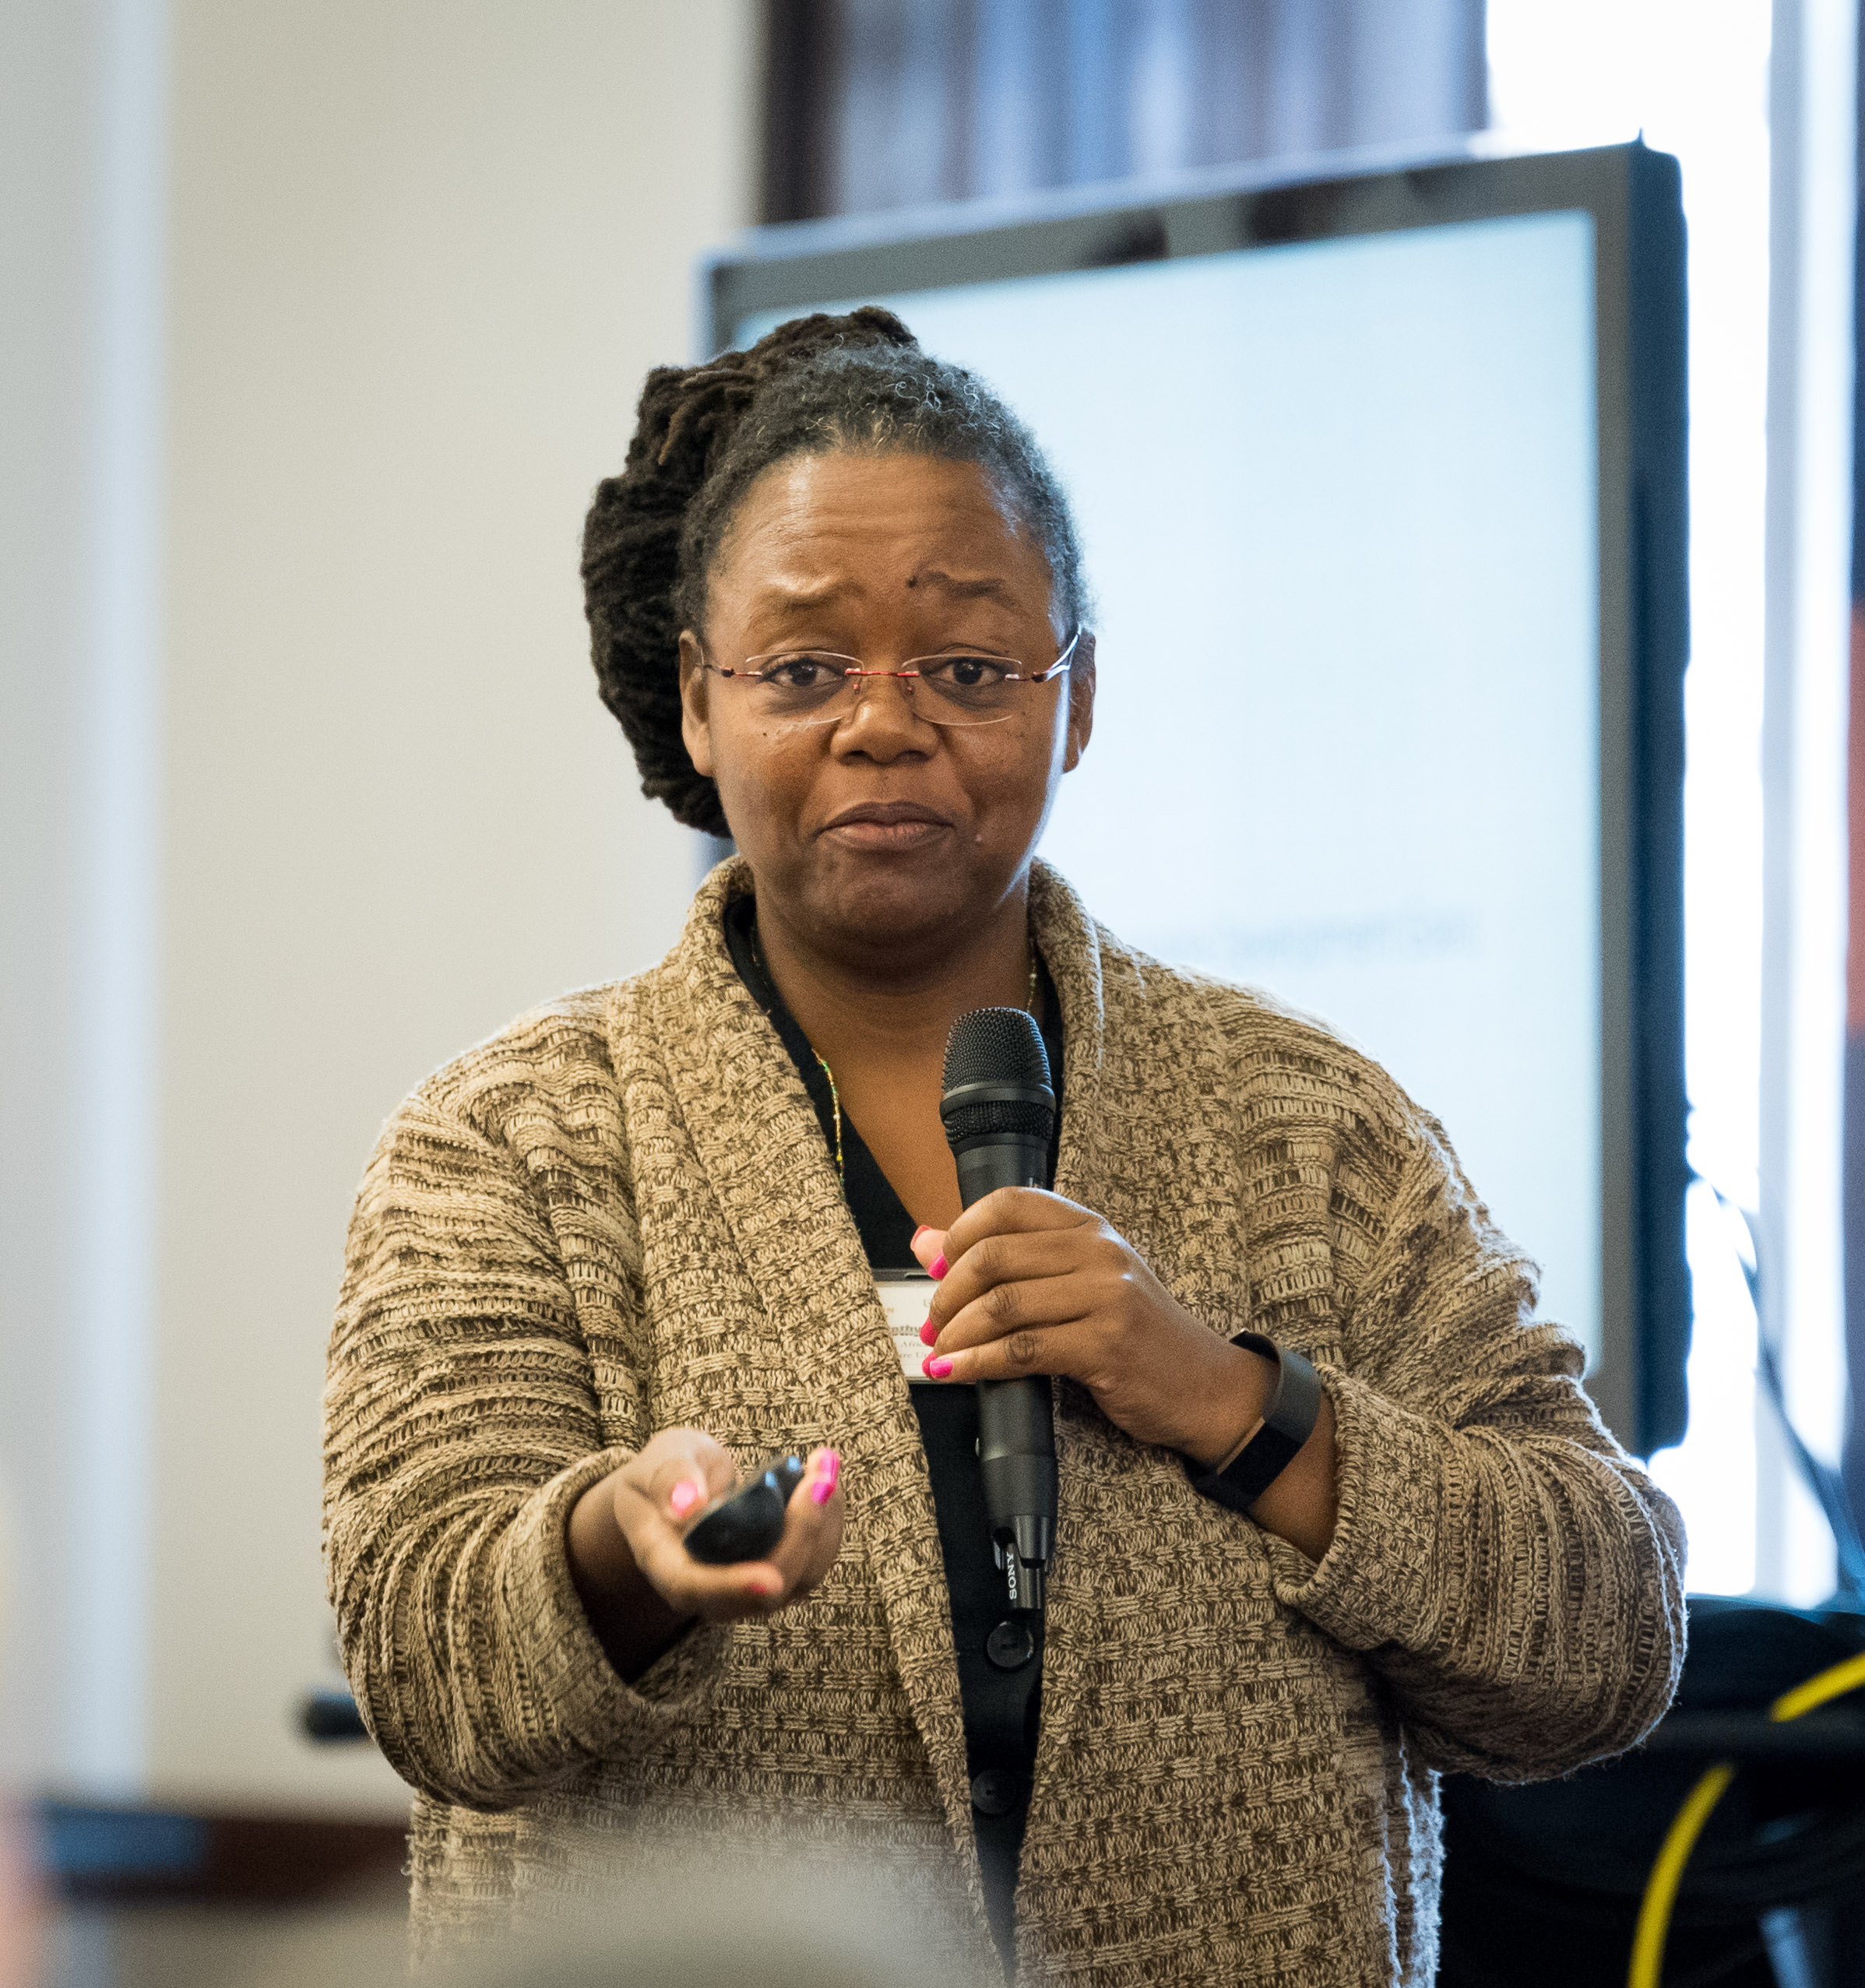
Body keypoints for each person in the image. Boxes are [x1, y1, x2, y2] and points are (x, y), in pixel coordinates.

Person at [322, 308, 1686, 1986]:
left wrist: (1229, 1398)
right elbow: (425, 1667)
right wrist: (621, 1545)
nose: (883, 723)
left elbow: (1605, 1636)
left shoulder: (1308, 1121)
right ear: (697, 700)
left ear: (1076, 696)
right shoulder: (510, 1139)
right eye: (803, 669)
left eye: (968, 668)